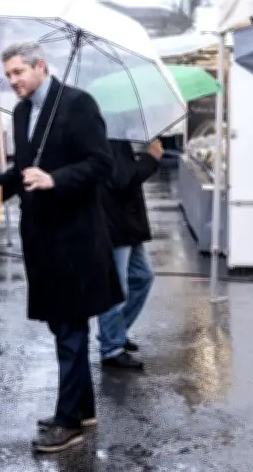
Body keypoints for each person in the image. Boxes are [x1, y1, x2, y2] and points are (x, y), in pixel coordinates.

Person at [0, 41, 122, 453]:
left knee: (70, 327)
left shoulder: (78, 104)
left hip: (75, 239)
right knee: (63, 325)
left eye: (19, 72)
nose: (14, 81)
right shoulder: (21, 112)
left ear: (41, 66)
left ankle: (69, 421)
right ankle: (84, 407)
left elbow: (101, 164)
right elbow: (23, 171)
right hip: (42, 239)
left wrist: (57, 178)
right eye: (9, 75)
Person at [97, 138, 163, 370]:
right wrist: (151, 158)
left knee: (143, 276)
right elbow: (121, 179)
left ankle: (115, 332)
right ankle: (111, 347)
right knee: (117, 288)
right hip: (115, 224)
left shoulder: (118, 136)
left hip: (126, 224)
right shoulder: (111, 137)